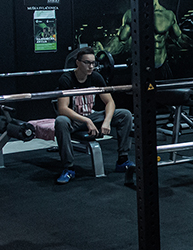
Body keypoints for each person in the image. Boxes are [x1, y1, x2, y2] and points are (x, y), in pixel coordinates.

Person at [54, 48, 134, 184]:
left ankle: (122, 160)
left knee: (125, 114)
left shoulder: (96, 77)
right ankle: (69, 168)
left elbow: (110, 102)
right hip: (75, 120)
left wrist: (107, 121)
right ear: (78, 63)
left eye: (93, 63)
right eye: (87, 63)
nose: (91, 66)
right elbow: (62, 109)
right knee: (61, 121)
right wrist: (86, 121)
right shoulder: (67, 79)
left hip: (92, 116)